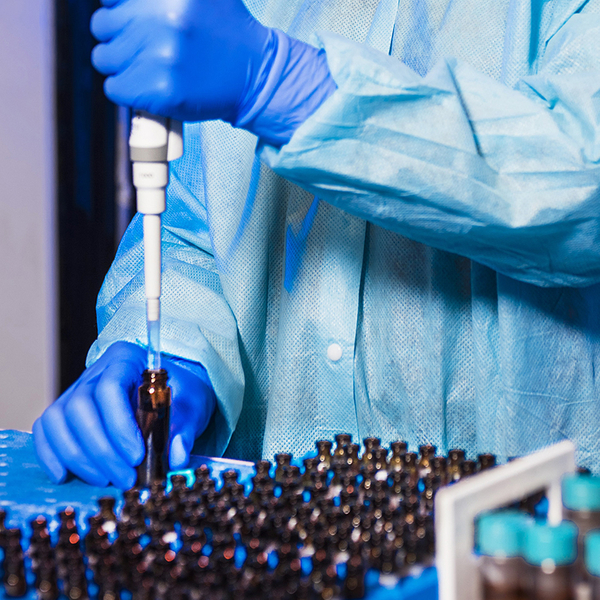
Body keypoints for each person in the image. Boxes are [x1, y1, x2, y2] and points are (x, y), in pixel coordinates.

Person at [34, 0, 600, 489]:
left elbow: (581, 186)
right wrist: (176, 347)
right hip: (273, 538)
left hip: (519, 546)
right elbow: (196, 228)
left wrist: (280, 85)